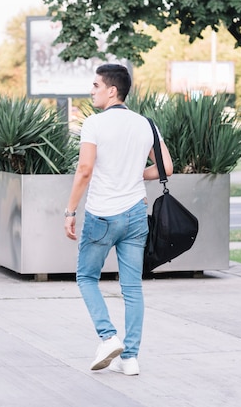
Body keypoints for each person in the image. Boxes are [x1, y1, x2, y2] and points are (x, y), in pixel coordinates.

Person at [64, 64, 173, 376]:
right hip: (136, 214)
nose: (92, 90)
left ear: (112, 90)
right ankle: (131, 358)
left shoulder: (94, 124)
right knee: (132, 287)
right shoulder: (145, 124)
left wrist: (70, 211)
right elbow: (166, 167)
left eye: (96, 85)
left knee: (86, 277)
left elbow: (85, 169)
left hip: (102, 215)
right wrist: (135, 174)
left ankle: (108, 336)